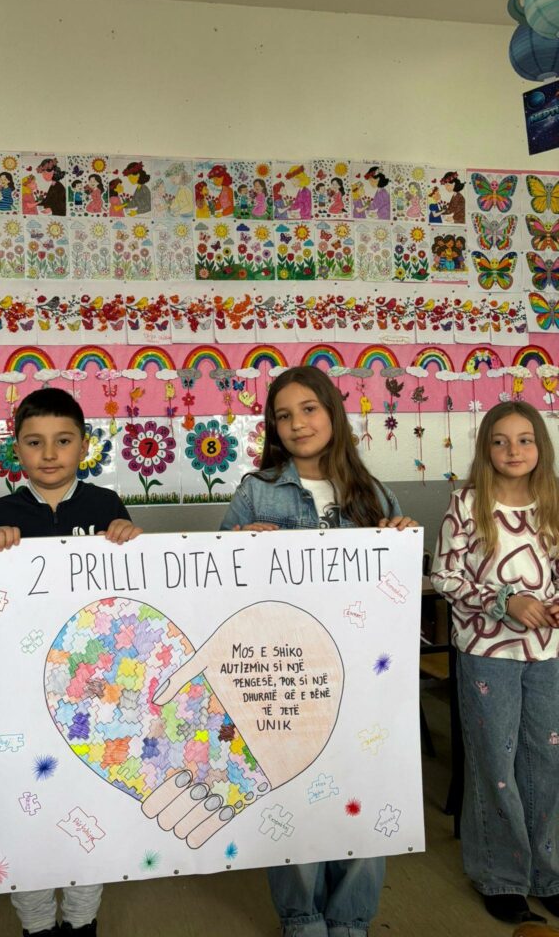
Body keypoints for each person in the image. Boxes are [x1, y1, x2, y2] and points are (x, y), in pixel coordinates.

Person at [220, 365, 417, 937]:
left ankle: (350, 917)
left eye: (308, 409)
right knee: (294, 790)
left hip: (362, 669)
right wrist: (234, 547)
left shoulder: (373, 493)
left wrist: (401, 536)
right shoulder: (255, 491)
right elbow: (218, 582)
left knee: (364, 782)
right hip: (285, 671)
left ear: (333, 412)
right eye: (284, 415)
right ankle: (302, 916)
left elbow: (394, 586)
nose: (297, 423)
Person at [0, 387, 142, 937]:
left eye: (63, 441)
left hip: (95, 702)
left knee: (91, 806)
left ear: (84, 446)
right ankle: (36, 925)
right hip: (21, 700)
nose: (49, 454)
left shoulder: (106, 507)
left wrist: (130, 540)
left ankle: (82, 921)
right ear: (16, 449)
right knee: (26, 813)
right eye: (34, 442)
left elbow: (135, 596)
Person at [431, 401, 559, 927]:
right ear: (486, 448)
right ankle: (501, 876)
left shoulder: (553, 501)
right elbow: (444, 576)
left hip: (547, 654)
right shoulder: (466, 504)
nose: (513, 450)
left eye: (525, 439)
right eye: (500, 440)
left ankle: (547, 875)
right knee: (496, 767)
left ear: (540, 447)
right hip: (488, 656)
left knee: (546, 764)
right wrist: (505, 601)